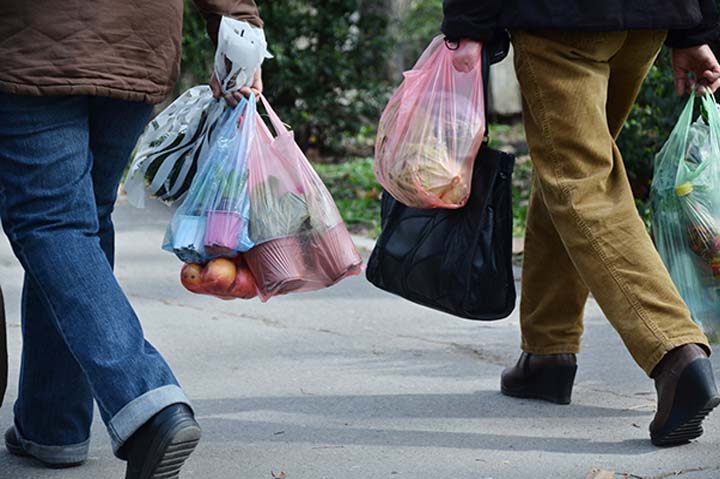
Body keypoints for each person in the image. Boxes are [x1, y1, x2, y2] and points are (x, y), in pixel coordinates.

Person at [0, 0, 263, 476]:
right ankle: (52, 424)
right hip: (137, 39)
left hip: (32, 39)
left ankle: (146, 403)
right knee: (81, 222)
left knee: (52, 222)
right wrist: (240, 28)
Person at [442, 0, 720, 446]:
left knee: (580, 183)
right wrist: (695, 29)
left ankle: (674, 351)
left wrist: (467, 25)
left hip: (561, 21)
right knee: (568, 168)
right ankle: (547, 354)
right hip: (647, 20)